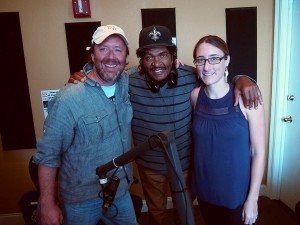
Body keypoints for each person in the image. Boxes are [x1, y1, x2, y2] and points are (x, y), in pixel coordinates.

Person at [69, 25, 262, 225]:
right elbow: (104, 72)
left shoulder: (191, 76)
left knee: (185, 214)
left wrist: (243, 79)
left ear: (173, 57)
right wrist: (84, 74)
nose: (157, 63)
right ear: (141, 61)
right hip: (150, 167)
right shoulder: (127, 81)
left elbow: (215, 73)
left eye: (163, 55)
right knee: (157, 215)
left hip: (186, 165)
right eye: (149, 57)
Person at [33, 25, 138, 225]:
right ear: (92, 54)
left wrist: (177, 63)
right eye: (103, 48)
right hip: (80, 200)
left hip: (120, 190)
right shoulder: (68, 99)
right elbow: (48, 154)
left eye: (118, 50)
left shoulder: (126, 81)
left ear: (125, 58)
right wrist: (46, 203)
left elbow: (152, 68)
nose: (111, 57)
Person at [190, 35, 266, 225]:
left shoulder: (248, 100)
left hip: (235, 192)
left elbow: (259, 151)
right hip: (204, 187)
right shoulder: (195, 96)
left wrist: (253, 199)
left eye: (214, 58)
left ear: (227, 60)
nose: (207, 67)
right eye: (201, 60)